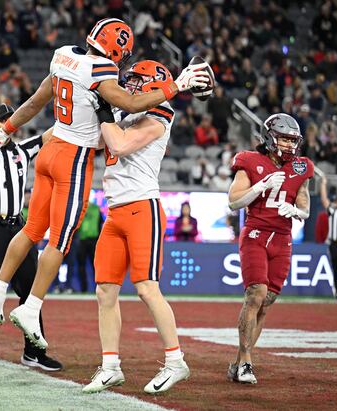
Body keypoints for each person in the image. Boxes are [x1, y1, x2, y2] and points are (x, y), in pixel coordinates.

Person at [0, 18, 210, 350]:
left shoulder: (62, 55)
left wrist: (6, 130)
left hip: (50, 148)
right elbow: (131, 105)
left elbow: (34, 101)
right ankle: (31, 308)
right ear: (117, 48)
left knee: (31, 229)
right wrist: (176, 86)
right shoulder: (100, 70)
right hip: (73, 160)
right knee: (59, 240)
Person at [83, 60, 190, 394]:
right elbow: (99, 142)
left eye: (135, 81)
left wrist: (103, 111)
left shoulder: (161, 114)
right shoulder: (125, 114)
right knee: (105, 290)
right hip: (114, 211)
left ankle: (176, 362)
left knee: (146, 287)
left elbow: (119, 145)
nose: (127, 86)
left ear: (153, 84)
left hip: (143, 207)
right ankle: (110, 365)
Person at [0, 59, 61, 375]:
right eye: (0, 121)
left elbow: (54, 134)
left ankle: (34, 351)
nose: (6, 125)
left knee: (31, 288)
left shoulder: (23, 150)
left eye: (10, 120)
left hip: (19, 226)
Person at [227, 113, 314, 384]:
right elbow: (234, 202)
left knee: (267, 301)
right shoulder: (250, 161)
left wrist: (298, 211)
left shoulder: (301, 167)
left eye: (292, 140)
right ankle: (247, 363)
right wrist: (260, 186)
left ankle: (240, 361)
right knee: (256, 293)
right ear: (269, 137)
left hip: (283, 238)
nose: (288, 145)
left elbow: (305, 206)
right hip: (256, 233)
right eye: (284, 139)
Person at [75, 200, 103, 292]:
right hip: (82, 240)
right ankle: (84, 288)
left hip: (93, 240)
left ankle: (98, 288)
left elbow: (100, 224)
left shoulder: (95, 208)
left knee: (95, 265)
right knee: (82, 266)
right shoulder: (80, 209)